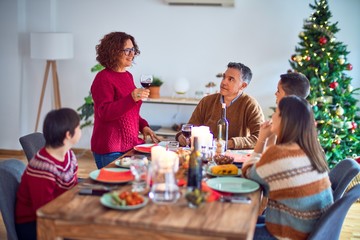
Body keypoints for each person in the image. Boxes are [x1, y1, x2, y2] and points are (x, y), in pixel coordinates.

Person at [242, 96, 333, 240]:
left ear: (284, 120)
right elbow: (269, 167)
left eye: (276, 112)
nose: (272, 116)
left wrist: (261, 139)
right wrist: (271, 138)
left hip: (289, 234)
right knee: (243, 220)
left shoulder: (280, 155)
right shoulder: (310, 150)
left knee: (232, 229)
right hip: (310, 231)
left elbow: (248, 172)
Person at [90, 32, 160, 169]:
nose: (131, 54)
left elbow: (130, 111)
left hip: (129, 146)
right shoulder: (103, 78)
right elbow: (104, 113)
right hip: (110, 149)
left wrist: (143, 126)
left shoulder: (128, 76)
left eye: (133, 49)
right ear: (113, 52)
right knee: (114, 189)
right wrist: (131, 98)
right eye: (126, 50)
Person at [15, 108, 81, 240]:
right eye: (78, 127)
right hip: (34, 224)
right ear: (68, 135)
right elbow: (44, 211)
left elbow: (72, 189)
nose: (80, 131)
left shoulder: (69, 154)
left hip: (58, 212)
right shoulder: (43, 168)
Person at [176, 62, 264, 149]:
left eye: (231, 79)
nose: (224, 82)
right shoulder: (206, 101)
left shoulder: (251, 105)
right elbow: (191, 128)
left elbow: (260, 138)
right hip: (206, 155)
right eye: (224, 77)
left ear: (243, 86)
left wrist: (229, 143)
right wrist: (181, 137)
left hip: (235, 158)